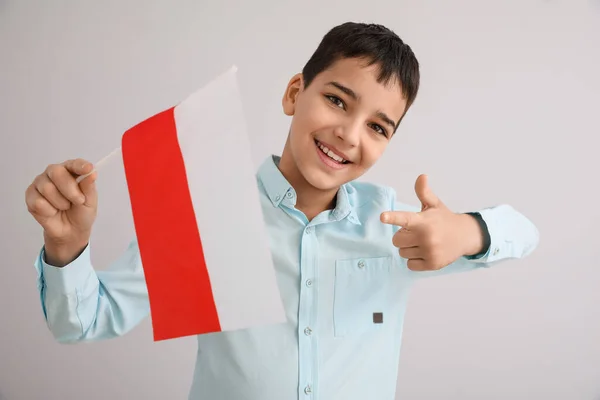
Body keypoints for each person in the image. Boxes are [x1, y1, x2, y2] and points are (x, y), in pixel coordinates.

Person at [25, 22, 539, 400]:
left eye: (378, 127)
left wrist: (467, 231)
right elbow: (85, 322)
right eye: (337, 101)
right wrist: (67, 248)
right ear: (296, 92)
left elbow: (524, 230)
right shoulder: (208, 217)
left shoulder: (394, 229)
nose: (349, 134)